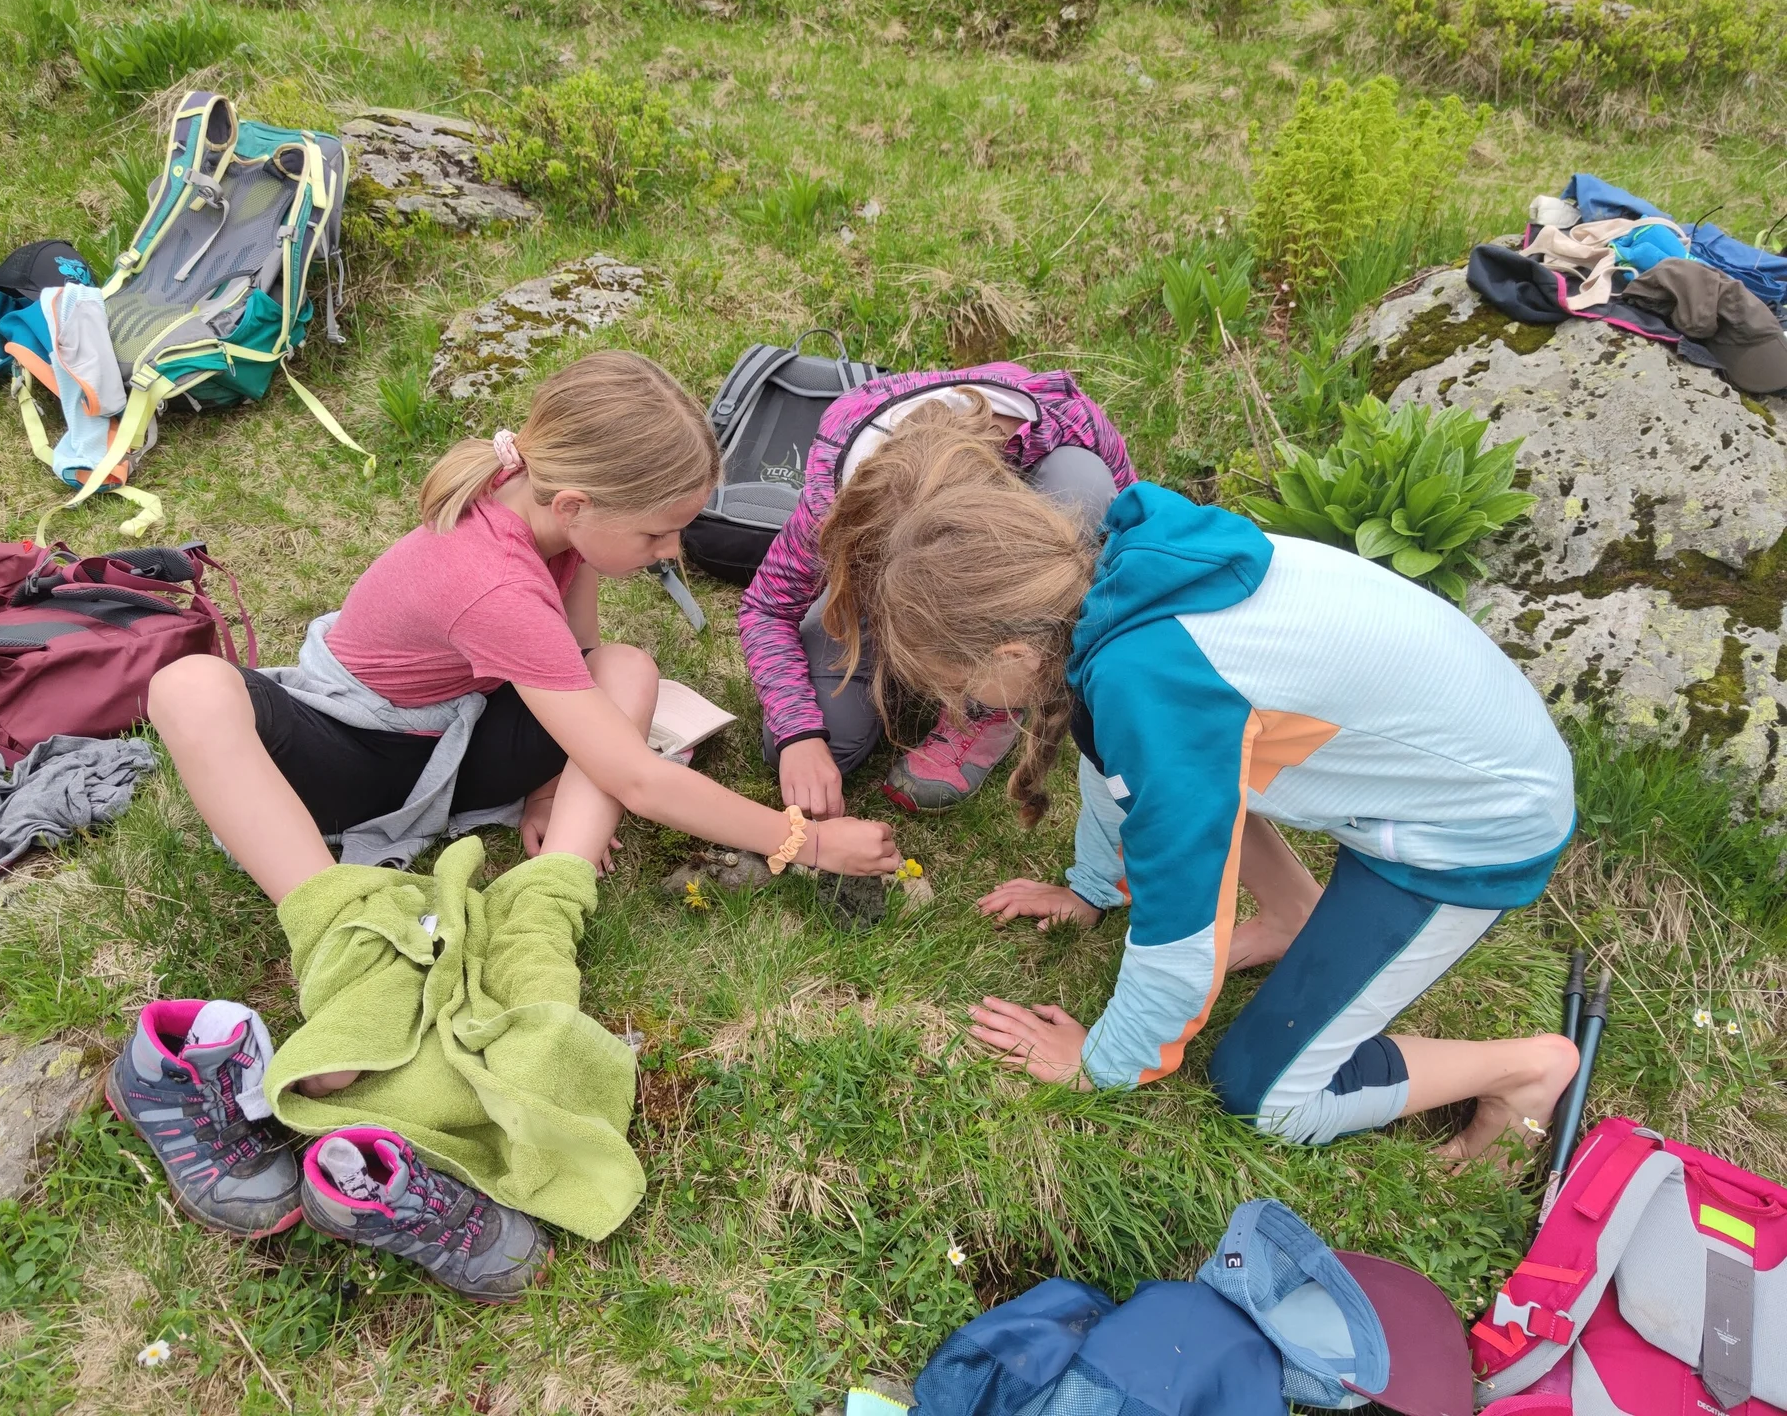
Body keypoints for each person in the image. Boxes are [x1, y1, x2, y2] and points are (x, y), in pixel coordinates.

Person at [822, 428, 1580, 1160]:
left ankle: (1524, 1068)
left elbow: (1181, 928)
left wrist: (1103, 1064)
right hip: (1449, 753)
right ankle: (1294, 919)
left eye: (961, 689)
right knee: (1179, 773)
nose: (964, 709)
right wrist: (1092, 889)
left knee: (1265, 1095)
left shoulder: (1153, 691)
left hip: (1473, 836)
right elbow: (1109, 760)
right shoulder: (1118, 570)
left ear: (1014, 652)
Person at [150, 348, 898, 914]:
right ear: (575, 504)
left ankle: (545, 903)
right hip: (350, 757)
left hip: (449, 738)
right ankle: (335, 926)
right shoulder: (494, 581)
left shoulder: (553, 517)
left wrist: (546, 787)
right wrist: (809, 842)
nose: (672, 553)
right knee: (188, 687)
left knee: (628, 668)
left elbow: (574, 664)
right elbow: (636, 778)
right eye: (657, 535)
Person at [739, 364, 1132, 818]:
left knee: (1082, 480)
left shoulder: (1069, 422)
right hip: (882, 595)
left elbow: (1123, 549)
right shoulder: (837, 499)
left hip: (1004, 587)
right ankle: (932, 658)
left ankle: (994, 703)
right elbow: (766, 608)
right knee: (820, 740)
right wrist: (799, 734)